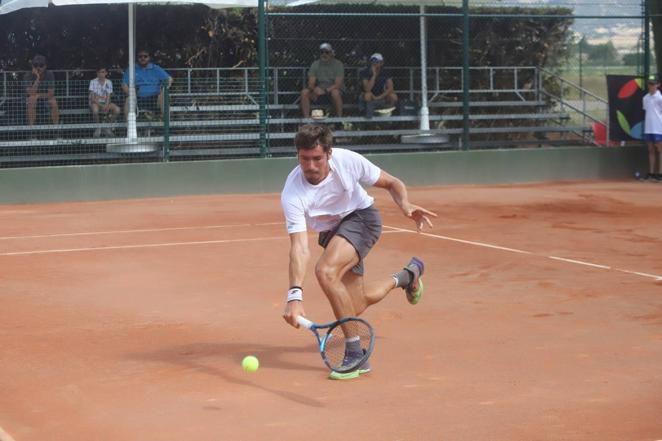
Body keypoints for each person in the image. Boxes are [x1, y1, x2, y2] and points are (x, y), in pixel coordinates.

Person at [280, 124, 437, 380]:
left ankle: (355, 354)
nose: (310, 166)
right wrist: (294, 295)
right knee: (354, 306)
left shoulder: (347, 161)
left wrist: (405, 204)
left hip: (362, 219)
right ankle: (408, 276)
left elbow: (392, 182)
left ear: (329, 154)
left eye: (317, 158)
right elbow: (298, 246)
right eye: (304, 159)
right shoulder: (293, 191)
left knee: (325, 271)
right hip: (333, 233)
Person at [122, 50, 173, 120]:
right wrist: (130, 94)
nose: (143, 58)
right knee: (129, 99)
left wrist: (164, 90)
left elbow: (169, 79)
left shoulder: (155, 68)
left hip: (155, 99)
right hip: (138, 98)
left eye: (145, 56)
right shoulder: (132, 69)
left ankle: (166, 127)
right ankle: (129, 128)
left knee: (164, 97)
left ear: (149, 58)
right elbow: (124, 84)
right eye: (140, 56)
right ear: (137, 58)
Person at [300, 43, 345, 118]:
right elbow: (311, 83)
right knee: (304, 92)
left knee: (335, 92)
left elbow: (338, 84)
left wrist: (325, 90)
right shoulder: (315, 64)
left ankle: (338, 119)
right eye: (322, 52)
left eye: (327, 52)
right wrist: (314, 88)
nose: (324, 54)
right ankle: (307, 120)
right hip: (319, 93)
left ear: (331, 53)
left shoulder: (338, 64)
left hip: (333, 92)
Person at [23, 55, 60, 126]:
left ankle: (56, 130)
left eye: (41, 65)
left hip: (44, 97)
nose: (38, 67)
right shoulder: (28, 75)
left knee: (53, 102)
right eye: (35, 65)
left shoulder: (50, 74)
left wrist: (38, 95)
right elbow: (30, 93)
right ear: (32, 66)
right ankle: (32, 131)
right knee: (31, 100)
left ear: (45, 66)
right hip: (31, 98)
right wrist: (37, 78)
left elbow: (51, 94)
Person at [359, 53, 398, 118]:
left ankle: (389, 115)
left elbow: (390, 88)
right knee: (367, 95)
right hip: (369, 96)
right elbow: (367, 89)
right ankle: (368, 116)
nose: (374, 64)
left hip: (381, 96)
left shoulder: (385, 72)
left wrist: (378, 97)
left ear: (381, 63)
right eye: (373, 61)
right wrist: (373, 76)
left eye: (377, 62)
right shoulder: (364, 72)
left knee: (393, 96)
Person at [89, 67, 121, 137]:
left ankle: (107, 126)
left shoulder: (109, 82)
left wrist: (106, 105)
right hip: (96, 103)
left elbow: (109, 96)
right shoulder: (93, 82)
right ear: (97, 73)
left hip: (106, 103)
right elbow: (93, 98)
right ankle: (98, 127)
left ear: (106, 73)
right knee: (95, 110)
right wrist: (102, 105)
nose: (101, 74)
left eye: (103, 72)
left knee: (117, 110)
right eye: (100, 72)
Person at [641, 75, 662, 181]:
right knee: (650, 150)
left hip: (659, 128)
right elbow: (647, 111)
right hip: (649, 128)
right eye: (649, 84)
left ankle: (660, 173)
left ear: (658, 85)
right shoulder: (645, 98)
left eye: (653, 84)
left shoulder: (660, 98)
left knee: (660, 149)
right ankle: (651, 173)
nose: (651, 86)